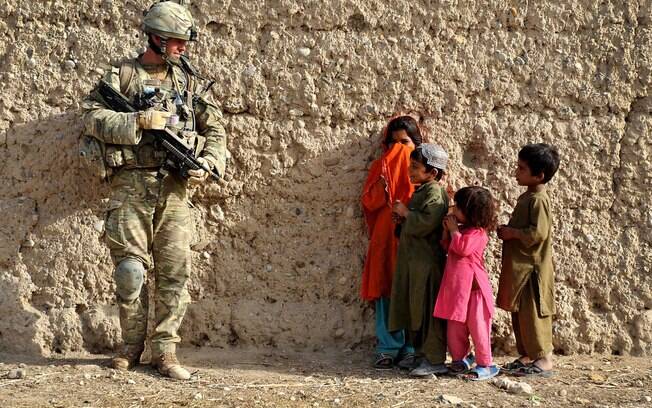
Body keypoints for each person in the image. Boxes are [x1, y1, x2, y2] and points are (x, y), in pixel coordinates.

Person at [81, 1, 227, 380]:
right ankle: (130, 348)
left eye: (184, 41)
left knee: (174, 273)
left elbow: (216, 129)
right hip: (130, 184)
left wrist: (209, 162)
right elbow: (92, 116)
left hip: (175, 188)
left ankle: (165, 352)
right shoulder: (123, 75)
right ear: (156, 38)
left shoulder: (188, 81)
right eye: (176, 41)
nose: (182, 48)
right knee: (130, 272)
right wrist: (137, 120)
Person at [361, 116, 422, 369]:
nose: (398, 149)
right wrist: (384, 182)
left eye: (405, 142)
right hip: (384, 238)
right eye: (393, 143)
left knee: (409, 290)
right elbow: (369, 203)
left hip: (410, 237)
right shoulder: (380, 167)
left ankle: (410, 348)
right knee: (385, 289)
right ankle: (388, 347)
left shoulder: (423, 168)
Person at [496, 143, 560, 377]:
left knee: (534, 314)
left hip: (532, 270)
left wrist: (512, 233)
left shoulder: (539, 200)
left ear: (539, 175)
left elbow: (538, 234)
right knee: (521, 314)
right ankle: (527, 355)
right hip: (521, 269)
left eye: (521, 168)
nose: (516, 172)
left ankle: (544, 358)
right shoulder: (528, 197)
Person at [388, 144, 450, 377]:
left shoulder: (435, 193)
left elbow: (428, 223)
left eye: (415, 167)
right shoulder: (422, 191)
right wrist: (402, 220)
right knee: (415, 309)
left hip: (426, 264)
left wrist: (406, 214)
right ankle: (420, 354)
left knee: (427, 312)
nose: (409, 171)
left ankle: (434, 359)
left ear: (432, 172)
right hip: (413, 263)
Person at [434, 186, 499, 380]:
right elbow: (449, 247)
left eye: (458, 207)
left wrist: (454, 230)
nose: (454, 209)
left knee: (479, 329)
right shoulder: (462, 231)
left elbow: (462, 248)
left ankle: (486, 364)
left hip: (475, 292)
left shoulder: (478, 234)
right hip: (458, 292)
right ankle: (460, 359)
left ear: (470, 212)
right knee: (455, 329)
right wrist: (448, 232)